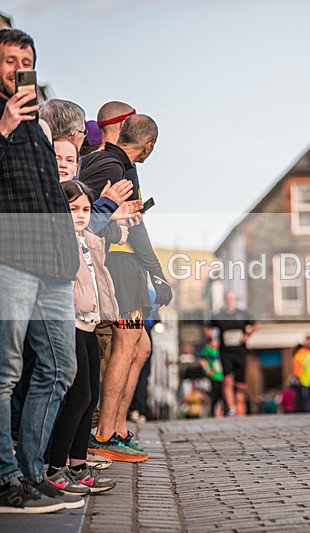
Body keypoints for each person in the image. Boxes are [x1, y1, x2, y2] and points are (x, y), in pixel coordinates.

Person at [0, 28, 83, 513]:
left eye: (25, 60)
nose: (18, 68)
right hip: (10, 256)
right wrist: (4, 126)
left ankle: (33, 473)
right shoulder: (8, 118)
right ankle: (6, 475)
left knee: (60, 367)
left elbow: (52, 193)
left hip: (52, 261)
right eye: (10, 60)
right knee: (6, 369)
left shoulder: (37, 123)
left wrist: (68, 255)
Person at [81, 114, 172, 462]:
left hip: (119, 265)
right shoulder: (116, 169)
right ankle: (104, 434)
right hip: (119, 266)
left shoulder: (109, 162)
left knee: (140, 347)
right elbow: (131, 229)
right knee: (127, 341)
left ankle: (117, 428)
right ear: (148, 147)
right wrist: (158, 273)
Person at [46, 180, 117, 495]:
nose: (80, 215)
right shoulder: (59, 240)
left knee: (90, 398)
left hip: (90, 326)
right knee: (76, 399)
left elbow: (100, 281)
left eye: (86, 209)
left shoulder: (91, 241)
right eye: (73, 208)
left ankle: (78, 465)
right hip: (71, 325)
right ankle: (55, 468)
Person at [204, 290, 257, 416]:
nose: (230, 301)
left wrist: (247, 335)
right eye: (228, 299)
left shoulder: (242, 314)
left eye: (232, 298)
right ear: (225, 300)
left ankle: (240, 408)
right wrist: (212, 340)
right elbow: (207, 328)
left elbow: (256, 324)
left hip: (240, 352)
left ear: (235, 300)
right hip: (225, 352)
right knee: (227, 380)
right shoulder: (219, 315)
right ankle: (231, 408)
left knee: (240, 385)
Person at [199, 339, 226, 417]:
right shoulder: (208, 349)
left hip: (223, 376)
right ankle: (213, 413)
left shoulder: (222, 348)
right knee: (215, 395)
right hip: (214, 376)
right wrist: (208, 370)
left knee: (223, 395)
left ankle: (222, 412)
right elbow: (202, 359)